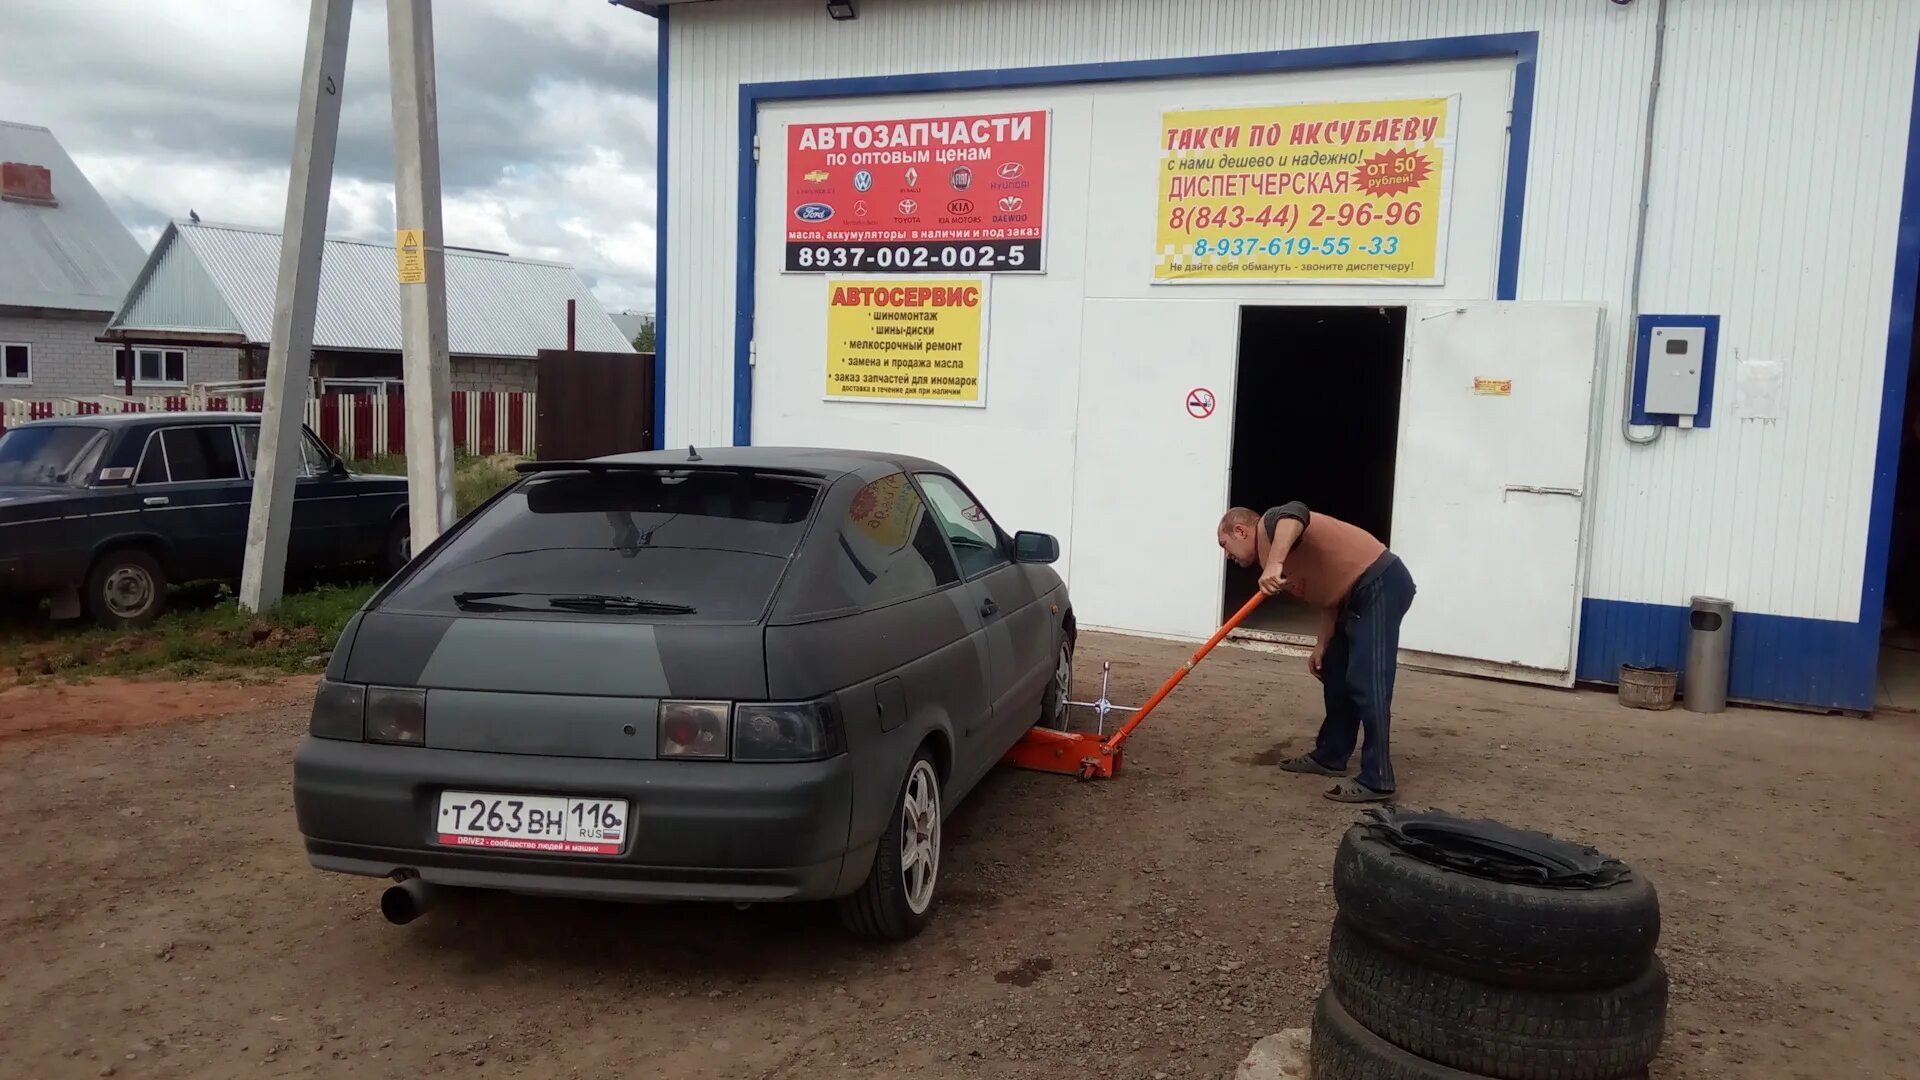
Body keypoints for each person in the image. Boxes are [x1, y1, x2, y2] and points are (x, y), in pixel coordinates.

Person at [1217, 503, 1416, 802]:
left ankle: (1378, 779)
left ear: (1240, 530)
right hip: (1350, 595)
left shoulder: (1271, 525)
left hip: (1380, 583)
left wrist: (1274, 563)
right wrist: (1322, 642)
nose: (1226, 554)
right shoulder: (1277, 554)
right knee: (1335, 671)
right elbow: (1327, 592)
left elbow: (1296, 513)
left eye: (1224, 544)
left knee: (1367, 678)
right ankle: (1331, 755)